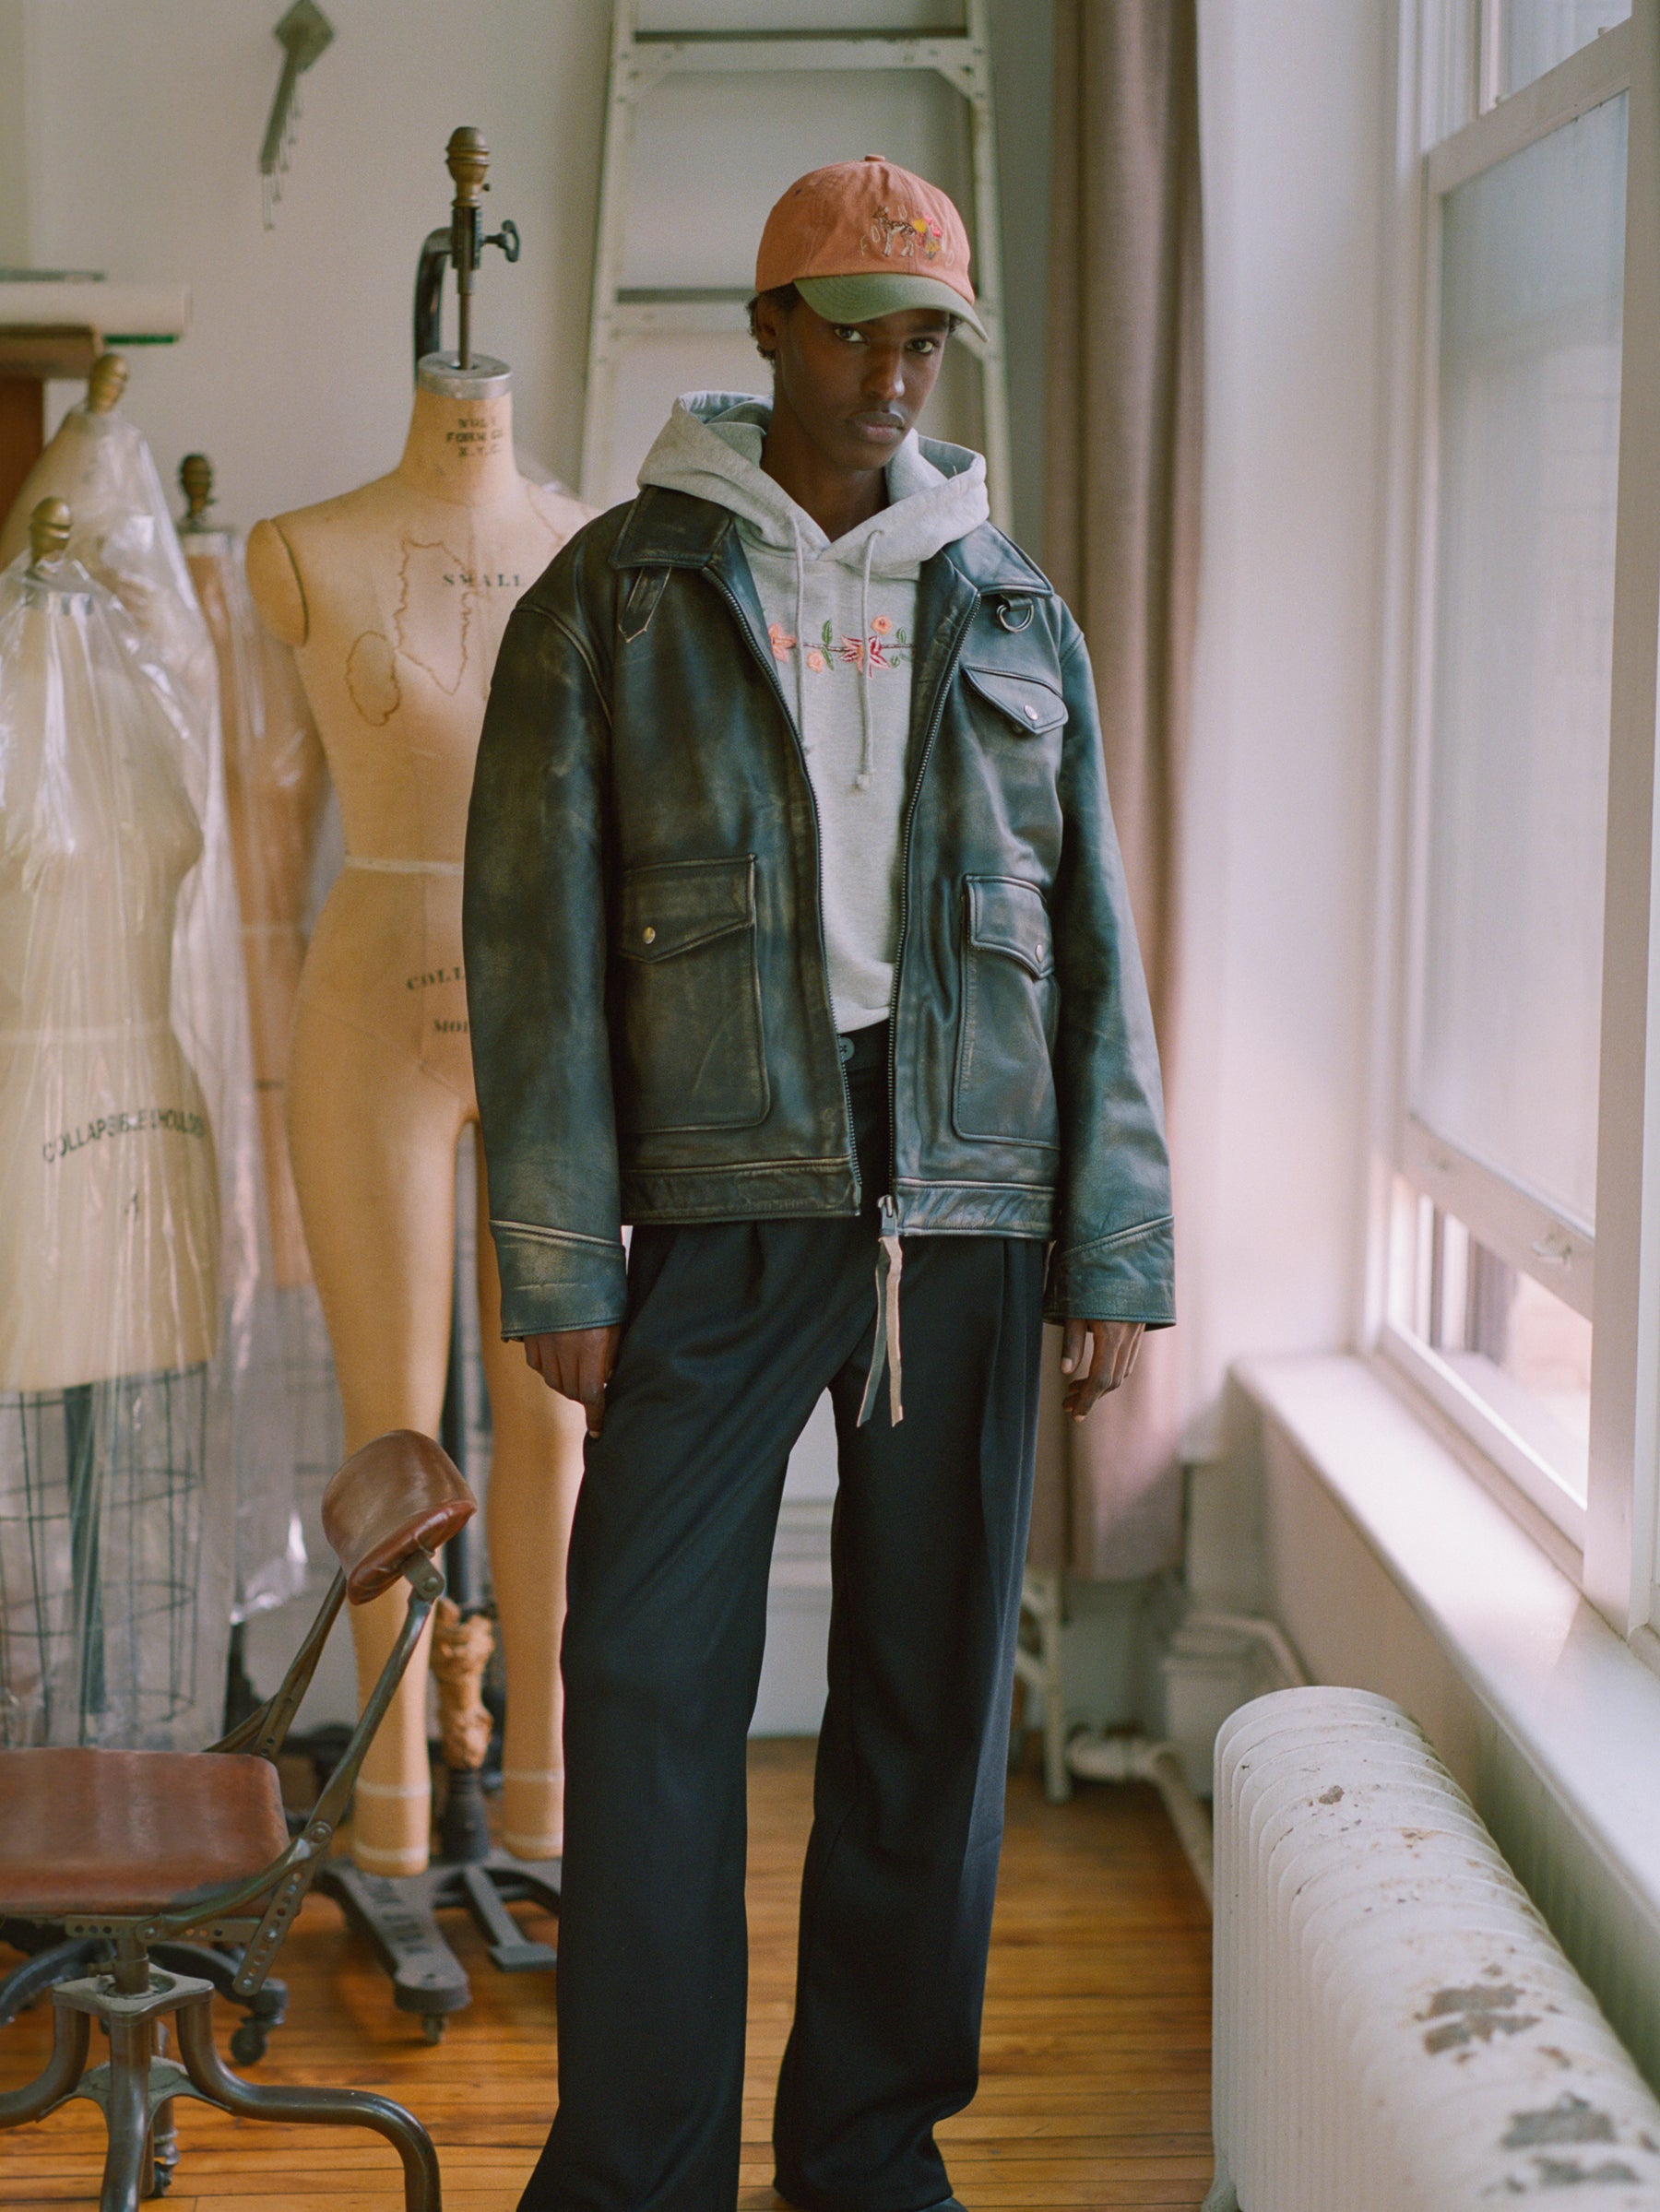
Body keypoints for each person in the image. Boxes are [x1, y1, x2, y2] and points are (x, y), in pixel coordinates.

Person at [465, 156, 1174, 2212]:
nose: (890, 367)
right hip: (715, 1197)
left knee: (932, 1697)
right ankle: (639, 2171)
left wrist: (1111, 1234)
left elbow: (1100, 949)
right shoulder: (617, 597)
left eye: (922, 333)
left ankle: (868, 2155)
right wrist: (553, 1249)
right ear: (765, 326)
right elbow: (534, 958)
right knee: (646, 1677)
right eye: (852, 323)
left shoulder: (1018, 609)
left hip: (970, 1204)